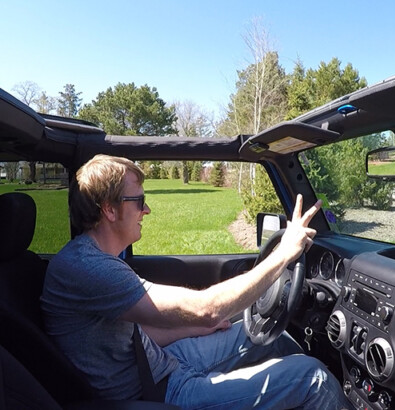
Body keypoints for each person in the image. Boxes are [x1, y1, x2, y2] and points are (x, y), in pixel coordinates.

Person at [41, 154, 352, 409]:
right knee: (314, 378)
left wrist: (197, 329)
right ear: (109, 209)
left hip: (157, 363)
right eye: (139, 201)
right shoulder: (88, 267)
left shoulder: (99, 257)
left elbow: (131, 334)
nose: (146, 209)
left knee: (257, 333)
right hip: (156, 392)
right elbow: (207, 309)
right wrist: (283, 255)